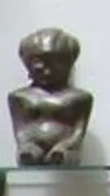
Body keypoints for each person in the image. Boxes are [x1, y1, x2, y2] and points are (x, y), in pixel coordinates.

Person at [8, 28, 94, 167]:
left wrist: (66, 145)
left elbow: (78, 132)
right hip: (31, 147)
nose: (47, 70)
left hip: (65, 148)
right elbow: (20, 130)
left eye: (54, 63)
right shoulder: (19, 96)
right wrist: (26, 145)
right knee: (27, 157)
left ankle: (60, 154)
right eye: (39, 62)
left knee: (64, 157)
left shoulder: (80, 97)